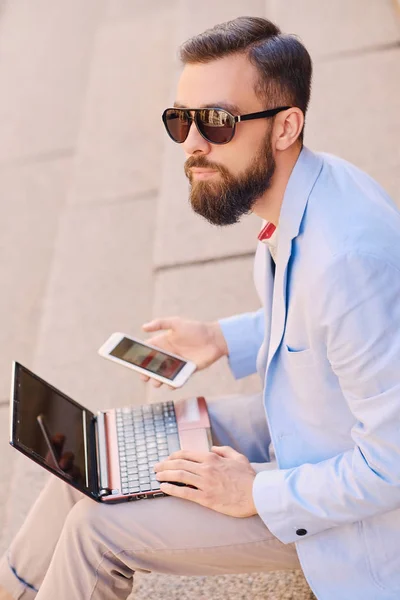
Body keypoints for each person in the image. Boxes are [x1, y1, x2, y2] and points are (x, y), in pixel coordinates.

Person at [1, 15, 400, 600]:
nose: (192, 142)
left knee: (98, 529)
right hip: (305, 423)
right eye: (180, 120)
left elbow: (391, 465)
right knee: (97, 456)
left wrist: (253, 493)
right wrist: (222, 337)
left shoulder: (345, 260)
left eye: (217, 122)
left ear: (286, 125)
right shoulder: (310, 190)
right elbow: (332, 330)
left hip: (347, 515)